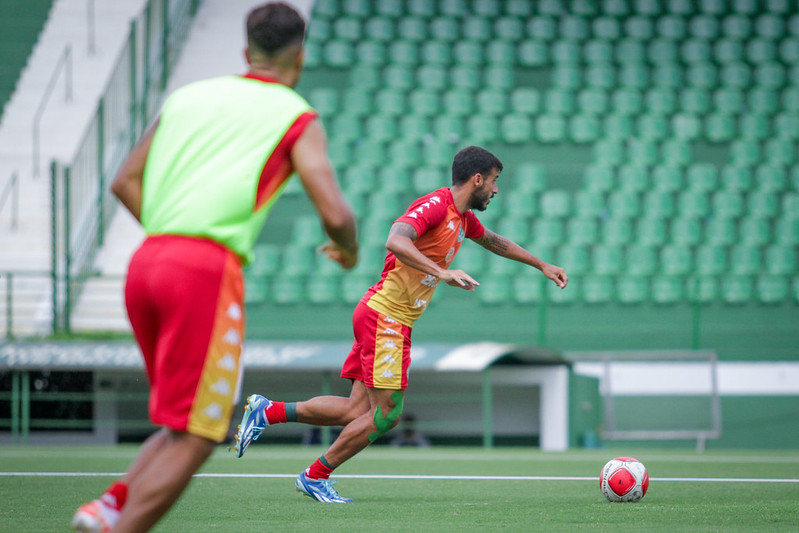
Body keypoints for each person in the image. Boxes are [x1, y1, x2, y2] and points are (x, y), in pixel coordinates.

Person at [71, 3, 358, 532]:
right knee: (205, 432)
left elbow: (123, 182)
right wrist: (348, 250)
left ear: (247, 52)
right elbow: (337, 213)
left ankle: (110, 505)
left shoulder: (187, 97)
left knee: (181, 423)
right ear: (301, 55)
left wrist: (170, 237)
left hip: (147, 262)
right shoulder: (296, 115)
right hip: (203, 270)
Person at [234, 145, 567, 503]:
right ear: (477, 179)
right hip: (386, 318)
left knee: (355, 411)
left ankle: (268, 411)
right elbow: (395, 239)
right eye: (495, 181)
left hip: (383, 315)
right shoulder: (436, 205)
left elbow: (495, 242)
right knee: (387, 415)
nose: (496, 190)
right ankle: (314, 476)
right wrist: (442, 271)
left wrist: (541, 265)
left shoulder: (464, 219)